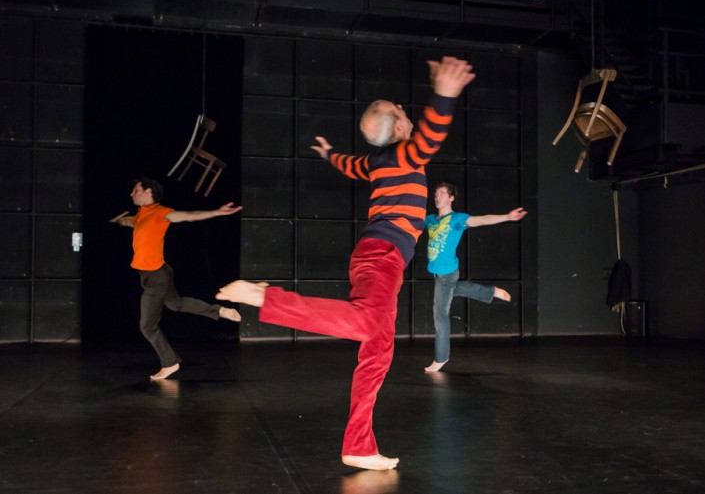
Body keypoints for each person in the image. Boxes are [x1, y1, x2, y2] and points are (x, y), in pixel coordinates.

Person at [215, 56, 476, 471]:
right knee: (367, 327)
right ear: (402, 128)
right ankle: (268, 300)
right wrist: (443, 95)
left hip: (378, 257)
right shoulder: (409, 155)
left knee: (379, 350)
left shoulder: (375, 162)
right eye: (402, 112)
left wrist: (329, 152)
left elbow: (347, 165)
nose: (407, 113)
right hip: (384, 256)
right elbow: (432, 137)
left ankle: (358, 444)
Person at [109, 177, 242, 381]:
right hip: (153, 274)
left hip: (156, 277)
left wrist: (216, 212)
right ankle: (220, 311)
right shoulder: (141, 215)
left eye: (136, 190)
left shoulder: (161, 213)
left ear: (148, 192)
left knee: (147, 326)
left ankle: (170, 362)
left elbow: (188, 216)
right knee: (176, 304)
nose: (131, 194)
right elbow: (129, 222)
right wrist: (118, 221)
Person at [424, 182, 527, 373]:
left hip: (447, 274)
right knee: (454, 290)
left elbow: (483, 220)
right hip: (438, 274)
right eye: (436, 194)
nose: (437, 197)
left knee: (440, 314)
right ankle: (491, 292)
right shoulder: (430, 219)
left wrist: (507, 217)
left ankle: (441, 357)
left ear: (451, 198)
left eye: (442, 194)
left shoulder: (456, 219)